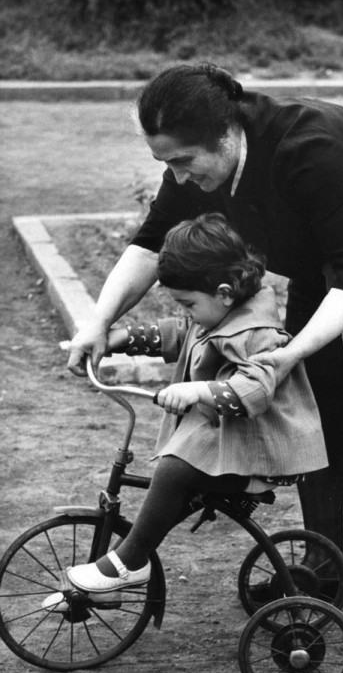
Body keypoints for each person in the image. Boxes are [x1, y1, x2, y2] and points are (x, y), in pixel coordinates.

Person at [67, 63, 343, 629]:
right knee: (315, 401)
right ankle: (327, 567)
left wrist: (292, 352)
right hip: (336, 252)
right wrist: (99, 321)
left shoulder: (307, 149)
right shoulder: (203, 161)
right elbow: (151, 243)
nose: (174, 176)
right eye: (164, 163)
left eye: (181, 161)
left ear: (225, 135)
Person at [44, 213, 328, 604]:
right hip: (228, 441)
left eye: (188, 303)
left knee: (175, 467)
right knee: (176, 477)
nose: (188, 312)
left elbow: (256, 389)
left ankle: (130, 562)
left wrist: (199, 391)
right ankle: (112, 575)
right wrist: (117, 338)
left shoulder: (257, 333)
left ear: (225, 292)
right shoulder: (218, 311)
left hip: (260, 450)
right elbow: (180, 332)